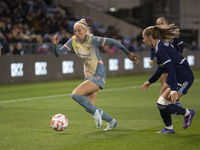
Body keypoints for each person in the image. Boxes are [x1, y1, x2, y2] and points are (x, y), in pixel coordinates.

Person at [52, 18, 139, 130]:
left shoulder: (92, 40)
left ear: (85, 31)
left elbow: (114, 42)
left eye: (79, 31)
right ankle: (112, 122)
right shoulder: (73, 40)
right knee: (89, 107)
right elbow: (58, 53)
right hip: (88, 76)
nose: (76, 33)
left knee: (75, 94)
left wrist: (128, 54)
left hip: (98, 73)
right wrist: (55, 45)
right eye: (74, 31)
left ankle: (97, 113)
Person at [142, 24, 195, 133]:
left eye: (144, 38)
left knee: (162, 103)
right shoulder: (159, 46)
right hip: (176, 75)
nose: (143, 41)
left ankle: (188, 113)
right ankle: (169, 128)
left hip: (183, 76)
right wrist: (150, 81)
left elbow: (170, 67)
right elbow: (161, 68)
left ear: (150, 38)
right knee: (161, 103)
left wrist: (174, 89)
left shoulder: (160, 48)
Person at [149, 17, 184, 107]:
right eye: (158, 24)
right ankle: (167, 103)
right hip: (162, 62)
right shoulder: (157, 35)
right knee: (164, 84)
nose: (159, 25)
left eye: (161, 23)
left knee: (172, 82)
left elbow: (181, 46)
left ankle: (176, 101)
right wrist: (151, 59)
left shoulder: (172, 34)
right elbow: (152, 47)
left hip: (172, 62)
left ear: (167, 24)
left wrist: (177, 56)